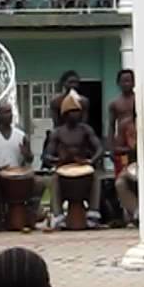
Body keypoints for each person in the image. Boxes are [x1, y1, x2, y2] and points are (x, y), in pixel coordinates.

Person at [43, 91, 104, 228]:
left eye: (78, 111)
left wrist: (91, 161)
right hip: (63, 170)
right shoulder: (57, 133)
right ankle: (58, 217)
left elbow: (99, 149)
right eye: (72, 111)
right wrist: (58, 159)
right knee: (54, 178)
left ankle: (93, 214)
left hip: (83, 168)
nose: (76, 114)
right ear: (65, 114)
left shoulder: (86, 130)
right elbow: (46, 156)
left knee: (95, 176)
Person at [112, 110, 138, 225]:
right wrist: (132, 149)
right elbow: (117, 148)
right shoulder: (126, 125)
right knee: (120, 183)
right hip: (133, 165)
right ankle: (137, 212)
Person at [107, 69, 136, 170]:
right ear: (118, 83)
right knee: (122, 173)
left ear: (134, 82)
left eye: (129, 80)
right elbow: (111, 126)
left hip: (137, 141)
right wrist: (110, 148)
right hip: (121, 144)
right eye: (123, 81)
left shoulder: (139, 100)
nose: (126, 84)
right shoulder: (114, 103)